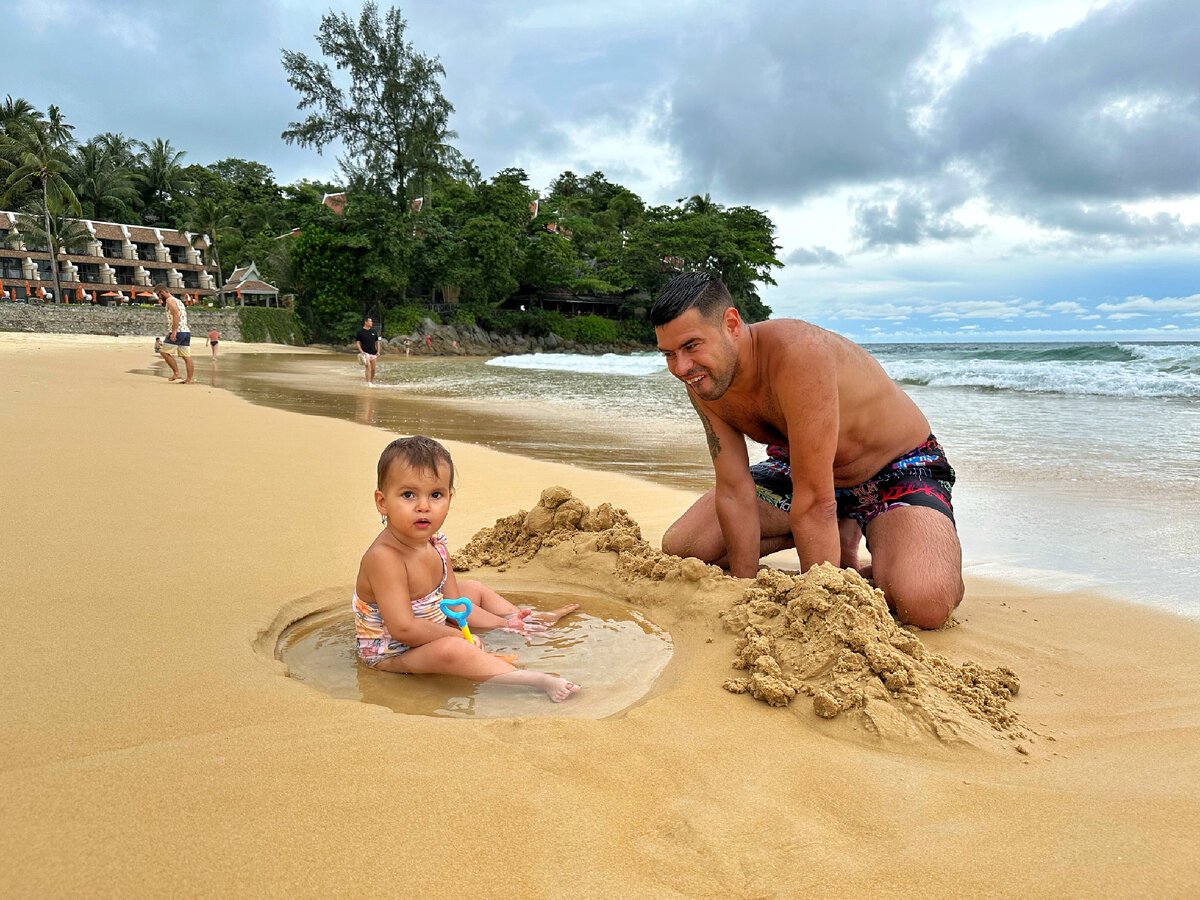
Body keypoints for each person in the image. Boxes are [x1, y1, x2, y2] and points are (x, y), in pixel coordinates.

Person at [652, 272, 963, 629]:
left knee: (925, 605)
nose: (681, 367)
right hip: (800, 468)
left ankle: (893, 544)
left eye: (692, 346)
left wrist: (820, 607)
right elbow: (735, 490)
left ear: (732, 324)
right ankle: (846, 533)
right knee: (686, 546)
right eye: (669, 354)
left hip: (896, 468)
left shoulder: (798, 353)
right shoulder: (704, 379)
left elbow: (815, 502)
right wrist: (744, 590)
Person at [354, 436, 581, 701]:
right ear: (382, 502)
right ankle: (536, 680)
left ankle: (523, 621)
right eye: (408, 495)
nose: (423, 506)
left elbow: (454, 605)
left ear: (449, 499)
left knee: (472, 589)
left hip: (430, 624)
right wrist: (461, 638)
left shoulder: (435, 544)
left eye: (435, 495)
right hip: (394, 653)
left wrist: (504, 622)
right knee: (453, 650)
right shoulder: (385, 558)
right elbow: (404, 629)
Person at [155, 285, 194, 384]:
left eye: (158, 295)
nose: (158, 298)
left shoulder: (169, 300)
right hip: (186, 331)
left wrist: (174, 332)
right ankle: (189, 379)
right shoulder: (178, 301)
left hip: (179, 331)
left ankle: (176, 373)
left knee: (164, 352)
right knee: (186, 356)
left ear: (162, 292)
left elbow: (176, 315)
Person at [355, 316, 380, 385]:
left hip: (373, 353)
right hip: (365, 353)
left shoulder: (374, 332)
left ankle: (371, 382)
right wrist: (361, 351)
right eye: (370, 321)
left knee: (373, 369)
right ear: (366, 322)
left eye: (371, 321)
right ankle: (368, 383)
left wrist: (378, 351)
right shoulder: (360, 332)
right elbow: (357, 343)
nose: (371, 323)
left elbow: (377, 342)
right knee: (368, 367)